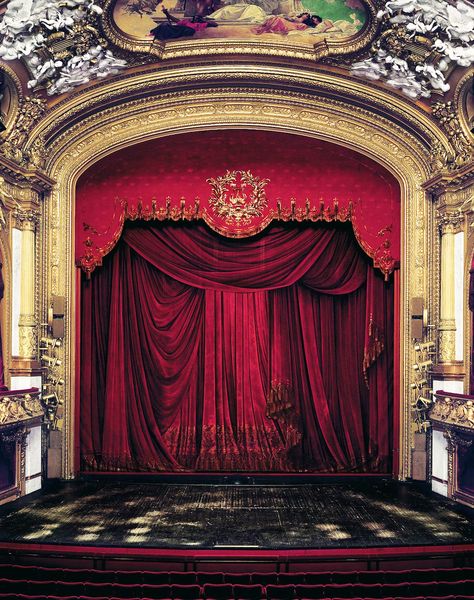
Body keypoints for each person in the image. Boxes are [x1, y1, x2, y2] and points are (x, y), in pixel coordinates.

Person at [149, 6, 218, 41]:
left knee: (188, 29)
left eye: (197, 18)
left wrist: (203, 20)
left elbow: (215, 24)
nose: (195, 18)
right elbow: (176, 20)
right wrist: (167, 13)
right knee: (164, 25)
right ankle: (152, 34)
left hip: (187, 32)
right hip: (179, 30)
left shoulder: (201, 24)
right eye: (194, 17)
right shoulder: (186, 21)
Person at [254, 12, 321, 34]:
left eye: (307, 16)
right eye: (305, 14)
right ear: (302, 14)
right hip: (289, 22)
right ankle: (268, 26)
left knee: (279, 20)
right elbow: (289, 19)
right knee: (278, 19)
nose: (306, 16)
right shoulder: (296, 17)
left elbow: (308, 26)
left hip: (292, 25)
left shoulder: (304, 23)